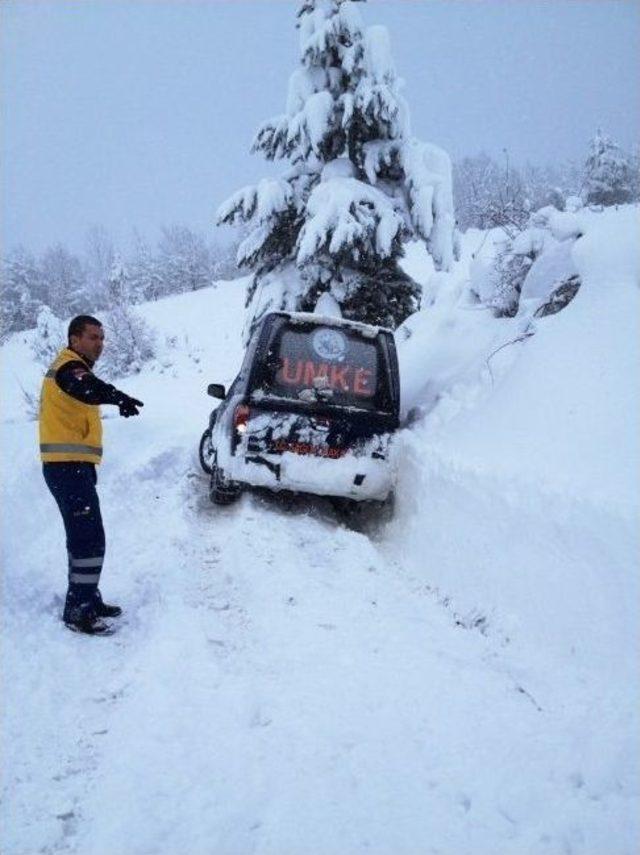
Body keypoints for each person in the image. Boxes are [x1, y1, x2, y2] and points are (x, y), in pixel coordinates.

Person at [39, 315, 144, 635]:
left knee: (85, 537)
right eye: (93, 337)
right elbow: (85, 387)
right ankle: (78, 610)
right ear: (74, 339)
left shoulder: (73, 366)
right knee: (89, 539)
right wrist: (117, 396)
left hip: (75, 466)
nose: (100, 343)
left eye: (102, 338)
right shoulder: (68, 368)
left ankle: (87, 596)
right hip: (65, 467)